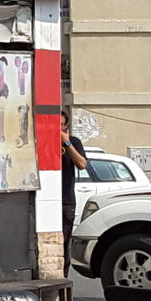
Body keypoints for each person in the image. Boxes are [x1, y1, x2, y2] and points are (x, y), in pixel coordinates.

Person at [60, 110, 88, 276]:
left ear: (66, 126)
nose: (57, 128)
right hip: (46, 200)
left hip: (66, 201)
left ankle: (64, 277)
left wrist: (67, 143)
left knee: (64, 244)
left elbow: (82, 164)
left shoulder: (74, 142)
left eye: (61, 125)